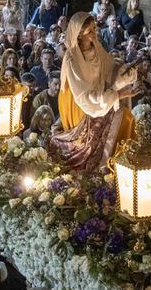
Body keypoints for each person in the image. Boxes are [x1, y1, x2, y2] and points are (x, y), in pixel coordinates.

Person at [49, 12, 138, 171]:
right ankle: (106, 166)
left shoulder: (96, 47)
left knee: (126, 117)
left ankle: (123, 163)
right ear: (78, 35)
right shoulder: (71, 59)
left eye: (94, 29)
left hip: (100, 100)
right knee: (121, 118)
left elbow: (110, 68)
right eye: (89, 31)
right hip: (79, 105)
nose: (94, 33)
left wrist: (125, 72)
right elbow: (84, 96)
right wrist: (117, 95)